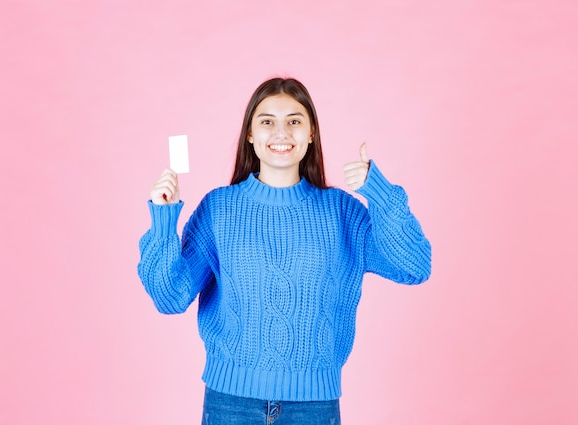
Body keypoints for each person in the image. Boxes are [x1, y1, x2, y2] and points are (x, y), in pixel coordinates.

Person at [138, 77, 432, 425]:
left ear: (311, 134)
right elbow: (169, 298)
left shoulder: (342, 211)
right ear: (250, 134)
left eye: (294, 121)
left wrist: (380, 193)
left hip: (314, 407)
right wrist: (163, 219)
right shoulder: (219, 209)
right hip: (230, 403)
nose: (281, 132)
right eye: (267, 122)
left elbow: (415, 266)